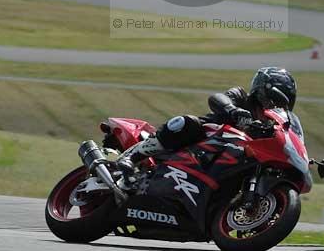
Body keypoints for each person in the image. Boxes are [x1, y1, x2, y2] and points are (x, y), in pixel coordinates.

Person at [115, 67, 303, 188]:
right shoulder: (241, 97)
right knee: (186, 123)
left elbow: (288, 138)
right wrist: (233, 110)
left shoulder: (272, 125)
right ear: (262, 91)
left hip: (227, 162)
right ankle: (132, 157)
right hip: (199, 141)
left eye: (281, 101)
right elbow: (218, 98)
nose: (275, 104)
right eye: (274, 98)